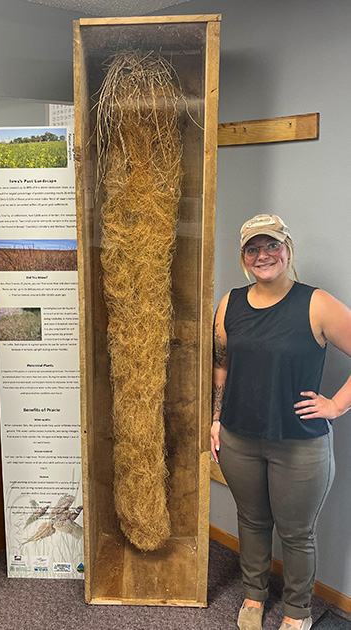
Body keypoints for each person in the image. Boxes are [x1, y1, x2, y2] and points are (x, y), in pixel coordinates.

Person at [210, 214, 351, 630]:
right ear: (243, 257)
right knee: (251, 522)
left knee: (295, 534)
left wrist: (338, 406)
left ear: (288, 250)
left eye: (272, 245)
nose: (263, 255)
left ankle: (297, 611)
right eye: (253, 248)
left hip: (300, 445)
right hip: (238, 438)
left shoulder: (316, 303)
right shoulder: (229, 303)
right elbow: (222, 367)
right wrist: (216, 418)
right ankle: (253, 597)